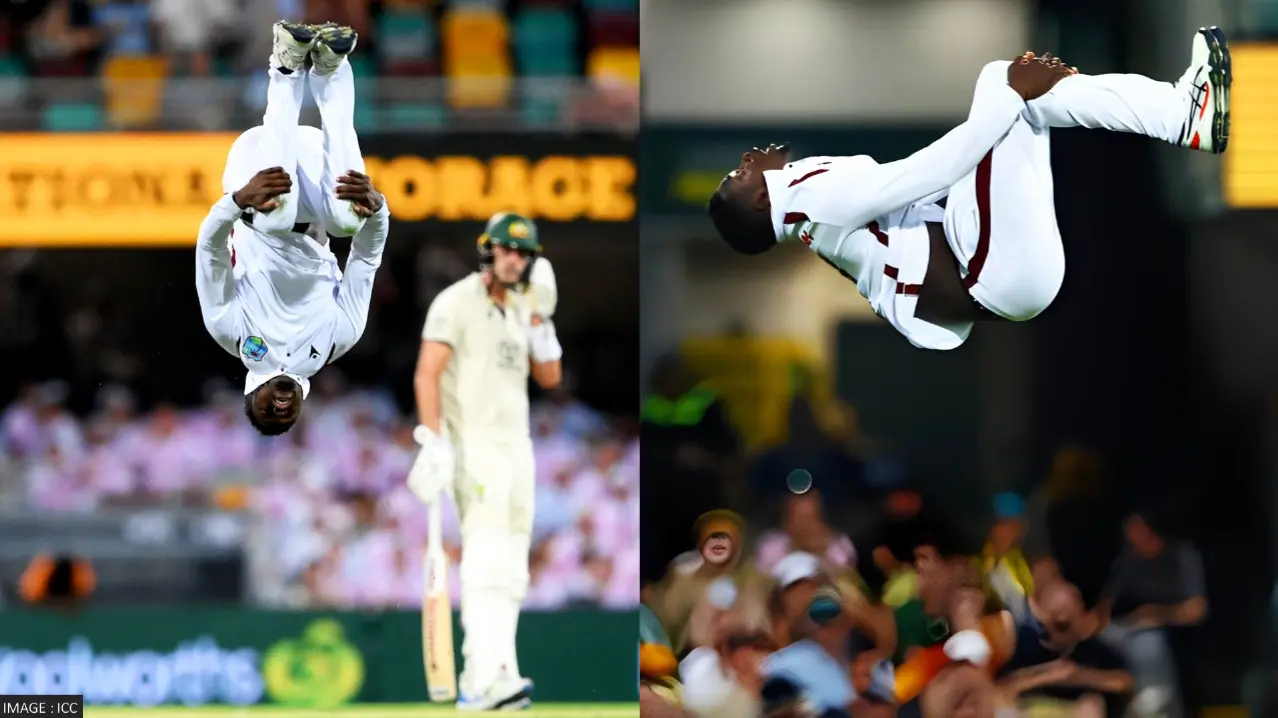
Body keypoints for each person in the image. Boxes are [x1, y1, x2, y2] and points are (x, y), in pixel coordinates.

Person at [707, 30, 1231, 350]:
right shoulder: (804, 200)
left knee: (1019, 94)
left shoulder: (805, 210)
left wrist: (1027, 92)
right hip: (988, 267)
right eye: (738, 176)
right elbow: (927, 173)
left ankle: (1185, 113)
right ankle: (1183, 114)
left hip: (1000, 275)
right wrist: (1011, 93)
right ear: (760, 201)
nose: (745, 163)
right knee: (1001, 83)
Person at [195, 21, 388, 436]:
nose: (280, 409)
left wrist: (236, 200)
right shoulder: (339, 340)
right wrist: (379, 209)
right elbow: (365, 259)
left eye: (267, 413)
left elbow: (209, 251)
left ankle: (285, 66)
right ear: (302, 406)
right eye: (287, 416)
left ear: (250, 395)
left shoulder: (231, 333)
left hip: (256, 172)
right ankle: (331, 69)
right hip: (316, 177)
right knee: (348, 220)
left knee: (278, 215)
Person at [406, 212, 563, 710]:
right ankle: (480, 677)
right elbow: (427, 374)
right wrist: (432, 439)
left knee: (513, 565)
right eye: (507, 250)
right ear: (488, 251)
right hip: (473, 446)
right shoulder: (455, 301)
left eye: (523, 253)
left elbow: (551, 377)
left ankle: (503, 671)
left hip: (518, 447)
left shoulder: (524, 308)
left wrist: (541, 319)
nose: (515, 259)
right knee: (488, 554)